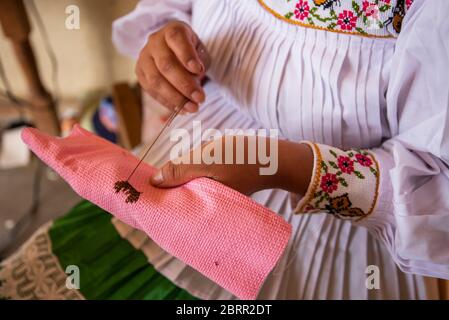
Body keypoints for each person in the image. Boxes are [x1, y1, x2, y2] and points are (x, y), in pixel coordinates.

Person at [1, 0, 448, 299]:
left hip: (340, 230)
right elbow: (169, 13)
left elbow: (438, 190)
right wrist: (164, 47)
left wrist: (279, 166)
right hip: (184, 157)